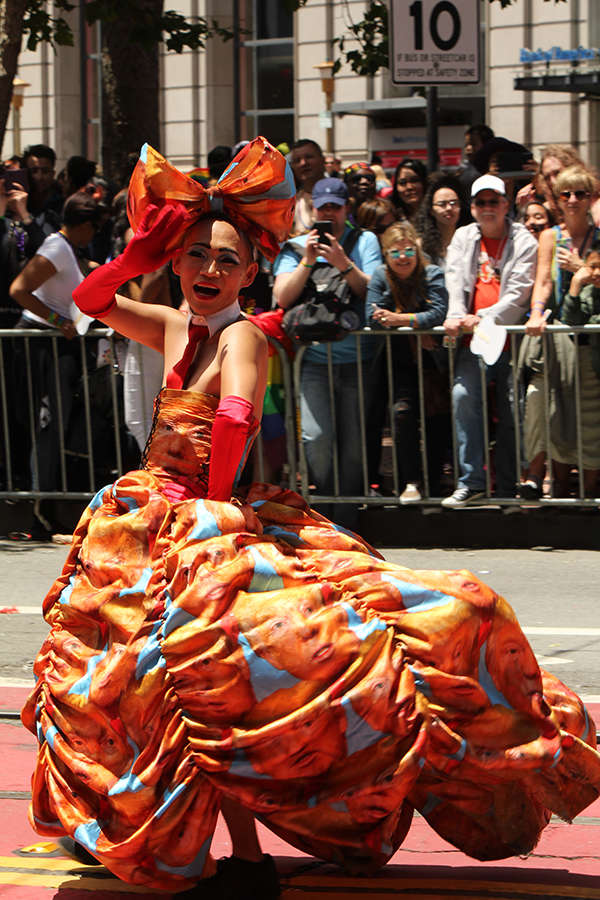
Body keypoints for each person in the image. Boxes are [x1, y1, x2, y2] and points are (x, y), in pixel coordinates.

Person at [21, 139, 600, 900]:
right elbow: (91, 302)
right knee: (133, 685)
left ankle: (249, 860)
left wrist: (212, 511)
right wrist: (142, 251)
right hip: (146, 520)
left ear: (252, 272)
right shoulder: (169, 325)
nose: (208, 272)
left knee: (210, 686)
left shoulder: (243, 335)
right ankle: (132, 821)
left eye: (226, 261)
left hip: (201, 523)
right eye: (195, 256)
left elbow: (234, 414)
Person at [272, 176, 382, 526]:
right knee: (316, 438)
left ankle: (346, 517)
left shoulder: (364, 240)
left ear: (346, 209)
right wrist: (308, 260)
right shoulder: (294, 248)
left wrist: (342, 263)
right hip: (313, 361)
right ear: (313, 210)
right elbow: (282, 298)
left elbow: (375, 291)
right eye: (324, 207)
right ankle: (328, 504)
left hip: (359, 359)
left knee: (353, 445)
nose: (330, 213)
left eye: (336, 207)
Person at [442, 174, 538, 507]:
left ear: (506, 205)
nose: (487, 208)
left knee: (514, 411)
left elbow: (519, 294)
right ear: (472, 207)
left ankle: (510, 485)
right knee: (463, 397)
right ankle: (472, 481)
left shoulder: (523, 238)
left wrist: (481, 318)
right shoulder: (463, 236)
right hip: (474, 341)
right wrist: (456, 317)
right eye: (480, 202)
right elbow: (455, 281)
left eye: (493, 201)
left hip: (511, 340)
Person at [9, 193, 102, 493]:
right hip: (39, 348)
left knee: (54, 426)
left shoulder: (68, 249)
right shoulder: (56, 247)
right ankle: (39, 499)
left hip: (56, 348)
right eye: (93, 229)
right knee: (45, 424)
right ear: (85, 225)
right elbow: (19, 289)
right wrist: (58, 320)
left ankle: (44, 495)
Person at [522, 166, 600, 498]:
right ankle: (560, 493)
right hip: (558, 338)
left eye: (580, 193)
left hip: (592, 339)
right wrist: (537, 313)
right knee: (554, 412)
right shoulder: (552, 236)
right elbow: (543, 282)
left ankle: (589, 494)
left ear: (591, 198)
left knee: (591, 417)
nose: (572, 200)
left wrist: (581, 269)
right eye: (565, 194)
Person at [367, 222, 448, 502]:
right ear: (386, 255)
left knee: (437, 419)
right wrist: (416, 324)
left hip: (434, 361)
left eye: (408, 250)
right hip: (397, 361)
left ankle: (435, 483)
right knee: (402, 415)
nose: (403, 258)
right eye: (395, 252)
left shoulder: (432, 273)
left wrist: (402, 320)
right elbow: (372, 315)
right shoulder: (380, 276)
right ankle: (410, 481)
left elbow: (438, 312)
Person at [560, 243, 600, 495]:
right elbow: (572, 321)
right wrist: (575, 287)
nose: (595, 273)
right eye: (592, 266)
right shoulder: (588, 292)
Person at [415, 173, 469, 268]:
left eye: (453, 203)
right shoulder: (421, 246)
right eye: (442, 204)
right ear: (431, 210)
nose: (449, 208)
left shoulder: (470, 241)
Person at [289, 138, 326, 234]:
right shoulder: (290, 205)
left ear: (322, 160)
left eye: (309, 157)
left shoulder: (342, 196)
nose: (303, 163)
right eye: (297, 160)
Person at [391, 158, 427, 223]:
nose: (409, 187)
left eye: (414, 180)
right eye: (402, 183)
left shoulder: (437, 215)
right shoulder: (390, 217)